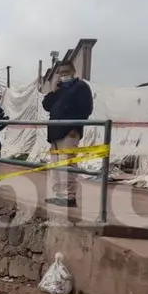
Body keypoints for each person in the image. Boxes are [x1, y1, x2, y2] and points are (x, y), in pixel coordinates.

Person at [41, 60, 93, 207]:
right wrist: (53, 90)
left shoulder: (81, 87)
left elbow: (86, 109)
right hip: (55, 133)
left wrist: (74, 128)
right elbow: (46, 106)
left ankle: (70, 197)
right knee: (55, 165)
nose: (63, 75)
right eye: (61, 73)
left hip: (69, 132)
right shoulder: (59, 89)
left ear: (73, 71)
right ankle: (59, 195)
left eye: (66, 72)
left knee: (67, 163)